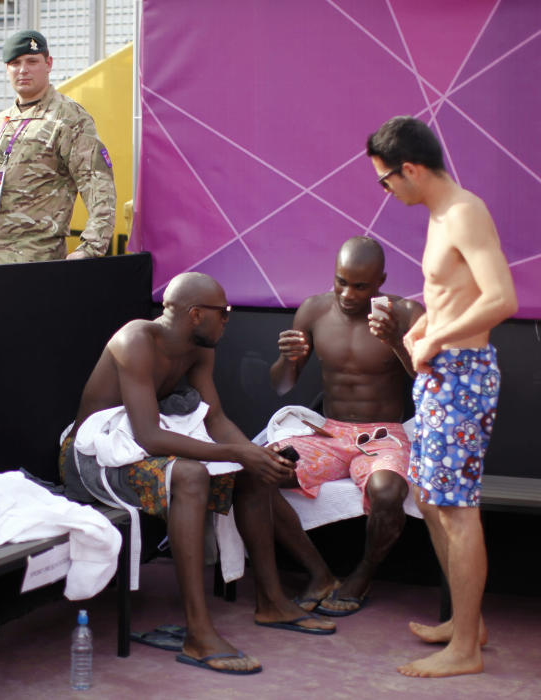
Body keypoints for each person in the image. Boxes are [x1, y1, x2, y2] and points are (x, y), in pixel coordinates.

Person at [61, 272, 335, 676]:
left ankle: (273, 602)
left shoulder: (199, 346)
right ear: (194, 314)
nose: (228, 319)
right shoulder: (135, 341)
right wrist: (237, 451)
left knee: (252, 472)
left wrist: (254, 456)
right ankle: (198, 633)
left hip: (136, 450)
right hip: (92, 459)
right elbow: (151, 437)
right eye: (222, 312)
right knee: (189, 476)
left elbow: (216, 417)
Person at [366, 116, 517, 677]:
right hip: (440, 373)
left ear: (410, 169)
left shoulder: (465, 212)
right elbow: (456, 294)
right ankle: (466, 622)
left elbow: (500, 299)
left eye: (385, 180)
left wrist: (434, 335)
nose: (385, 191)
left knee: (456, 509)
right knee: (431, 502)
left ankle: (466, 652)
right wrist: (422, 326)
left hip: (461, 375)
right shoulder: (439, 215)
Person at [268, 236, 424, 615]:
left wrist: (398, 344)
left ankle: (362, 575)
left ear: (381, 281)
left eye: (360, 286)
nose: (348, 294)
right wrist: (288, 361)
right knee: (258, 471)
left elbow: (429, 382)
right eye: (341, 282)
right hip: (330, 434)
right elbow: (281, 385)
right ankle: (319, 573)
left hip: (383, 434)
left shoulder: (405, 313)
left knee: (388, 493)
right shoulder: (313, 311)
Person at [0, 30, 116, 266]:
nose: (23, 69)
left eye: (32, 61)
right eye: (15, 63)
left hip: (37, 262)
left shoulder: (69, 118)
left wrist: (90, 248)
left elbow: (98, 184)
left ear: (48, 64)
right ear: (6, 69)